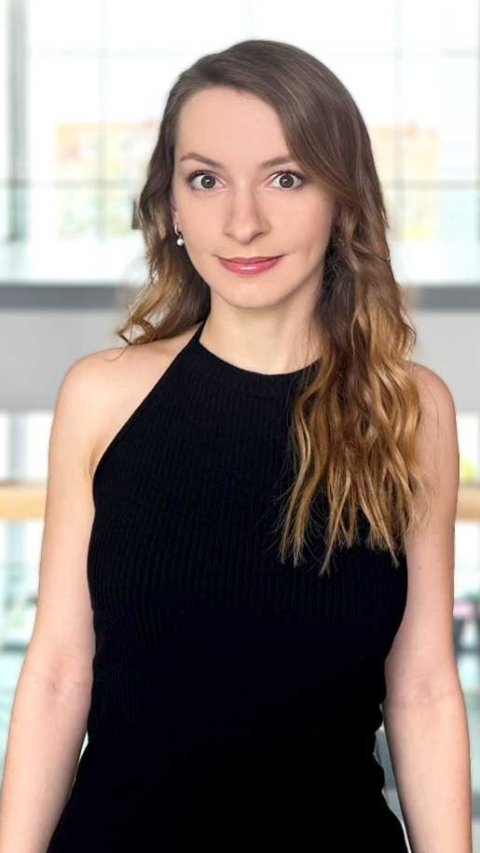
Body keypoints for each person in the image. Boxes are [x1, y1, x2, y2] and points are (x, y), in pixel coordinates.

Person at [0, 39, 472, 853]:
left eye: (285, 178)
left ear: (342, 198)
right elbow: (56, 675)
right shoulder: (102, 397)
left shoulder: (411, 411)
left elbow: (424, 686)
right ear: (172, 205)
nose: (242, 220)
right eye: (206, 178)